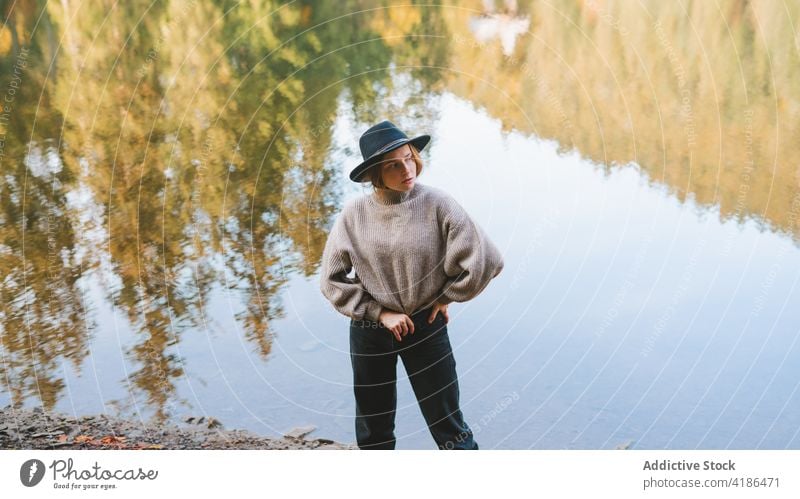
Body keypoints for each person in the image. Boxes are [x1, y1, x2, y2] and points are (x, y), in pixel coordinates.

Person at [319, 120, 504, 449]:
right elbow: (331, 280)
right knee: (374, 431)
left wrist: (446, 297)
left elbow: (486, 259)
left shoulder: (437, 203)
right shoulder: (354, 214)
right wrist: (378, 313)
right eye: (393, 164)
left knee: (450, 428)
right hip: (370, 332)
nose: (407, 168)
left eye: (409, 157)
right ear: (375, 173)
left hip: (425, 325)